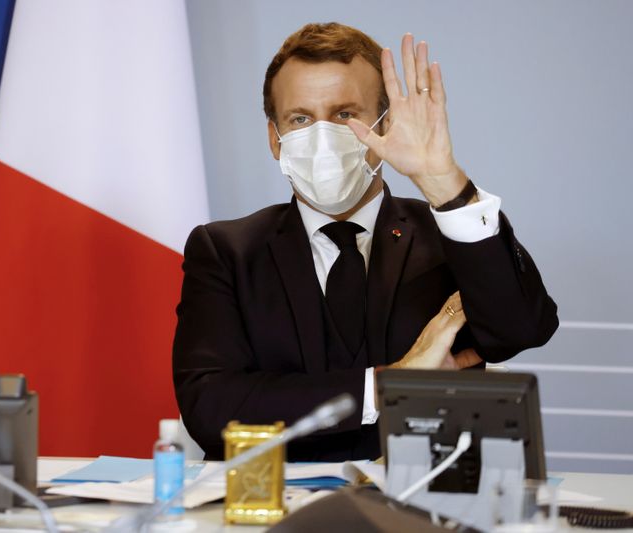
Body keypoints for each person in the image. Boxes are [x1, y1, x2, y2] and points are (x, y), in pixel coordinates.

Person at [173, 22, 558, 461]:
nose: (322, 137)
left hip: (414, 513)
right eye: (300, 119)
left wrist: (443, 183)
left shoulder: (449, 231)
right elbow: (212, 408)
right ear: (274, 139)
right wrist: (388, 386)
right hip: (268, 512)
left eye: (345, 114)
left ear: (385, 124)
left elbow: (524, 328)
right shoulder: (225, 250)